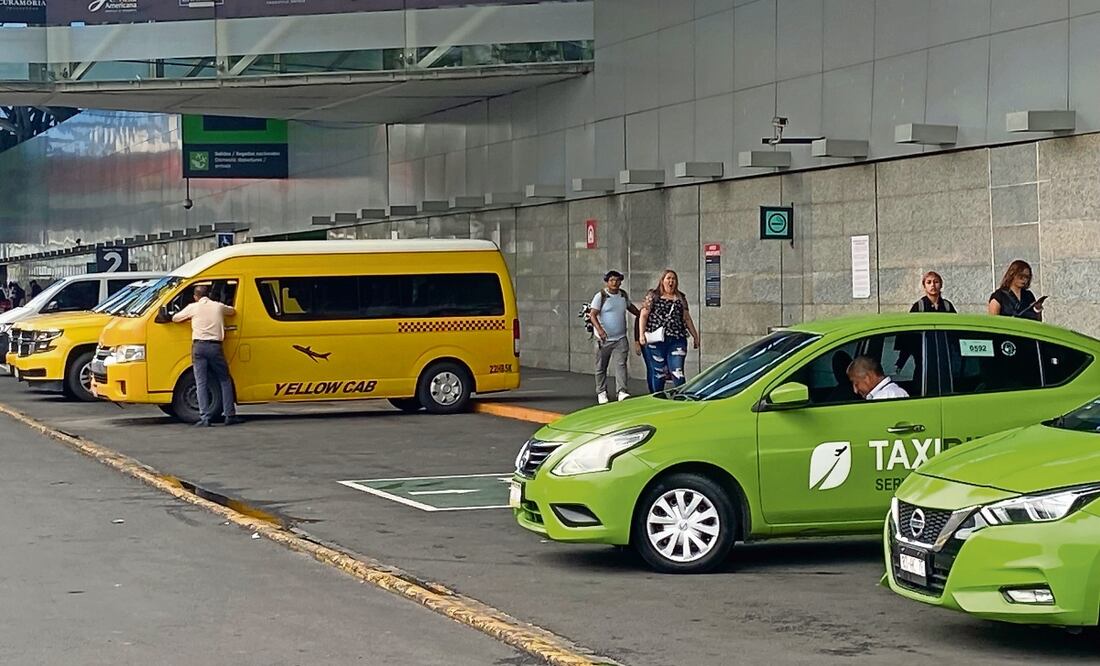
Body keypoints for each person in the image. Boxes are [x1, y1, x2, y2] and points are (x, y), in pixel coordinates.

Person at [171, 284, 242, 427]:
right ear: (209, 294)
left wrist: (189, 320)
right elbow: (233, 311)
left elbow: (175, 318)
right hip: (215, 347)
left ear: (195, 297)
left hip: (199, 347)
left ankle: (205, 417)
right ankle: (229, 415)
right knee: (224, 379)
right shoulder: (218, 306)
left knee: (201, 382)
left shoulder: (193, 307)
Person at [638, 269, 700, 393]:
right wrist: (641, 335)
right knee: (659, 372)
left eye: (673, 279)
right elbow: (643, 315)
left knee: (677, 371)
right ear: (662, 281)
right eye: (668, 278)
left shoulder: (680, 298)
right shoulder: (653, 295)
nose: (671, 281)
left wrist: (695, 336)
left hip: (677, 339)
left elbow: (686, 318)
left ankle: (681, 397)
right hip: (657, 340)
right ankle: (658, 397)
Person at [588, 270, 640, 404]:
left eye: (617, 280)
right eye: (612, 280)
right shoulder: (601, 296)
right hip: (603, 339)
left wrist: (642, 313)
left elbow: (630, 307)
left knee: (621, 365)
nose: (615, 283)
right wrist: (600, 330)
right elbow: (593, 315)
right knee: (601, 366)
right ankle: (601, 391)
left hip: (620, 338)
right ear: (607, 281)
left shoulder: (623, 295)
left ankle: (622, 391)